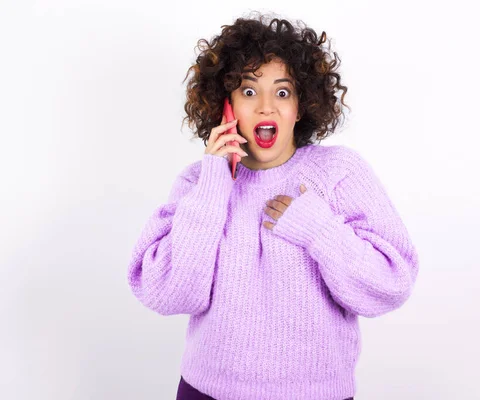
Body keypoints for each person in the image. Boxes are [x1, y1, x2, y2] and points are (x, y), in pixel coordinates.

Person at [127, 12, 419, 400]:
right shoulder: (198, 183)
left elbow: (391, 285)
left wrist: (320, 231)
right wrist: (215, 188)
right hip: (205, 392)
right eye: (248, 92)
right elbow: (168, 293)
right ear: (225, 107)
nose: (266, 107)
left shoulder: (338, 173)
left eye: (282, 92)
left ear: (301, 106)